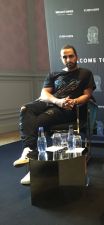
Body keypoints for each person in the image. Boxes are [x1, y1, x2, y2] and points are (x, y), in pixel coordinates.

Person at [13, 44, 96, 184]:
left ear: (77, 57)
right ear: (61, 58)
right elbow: (44, 93)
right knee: (25, 109)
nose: (68, 59)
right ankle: (29, 151)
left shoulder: (85, 73)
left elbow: (87, 95)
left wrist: (73, 101)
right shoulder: (54, 74)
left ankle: (34, 169)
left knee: (38, 123)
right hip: (53, 102)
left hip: (68, 108)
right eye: (65, 57)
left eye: (71, 56)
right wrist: (58, 101)